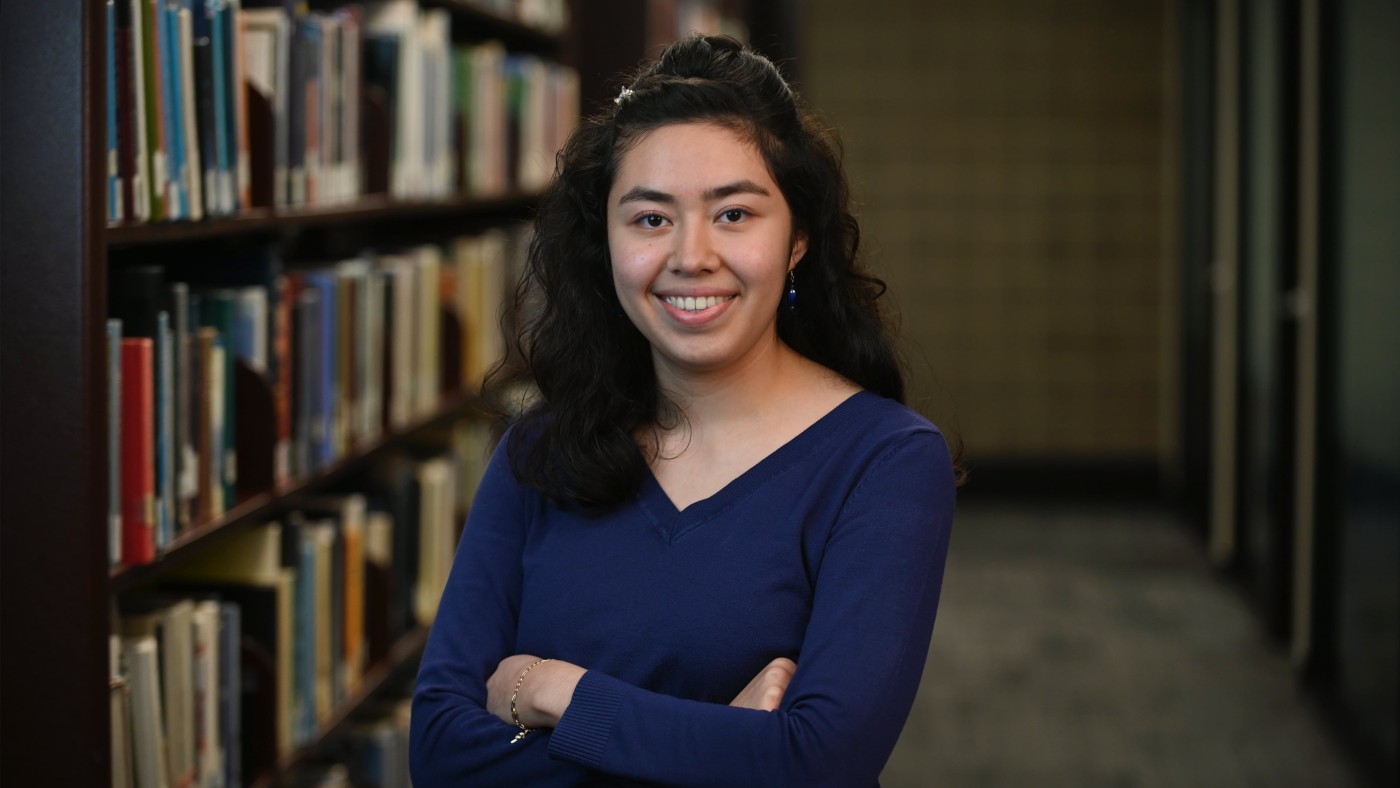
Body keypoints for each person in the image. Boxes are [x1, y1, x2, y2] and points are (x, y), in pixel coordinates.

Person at [410, 34, 956, 787]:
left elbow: (817, 765)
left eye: (734, 214)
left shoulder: (884, 461)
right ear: (606, 240)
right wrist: (718, 748)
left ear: (796, 238)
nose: (691, 255)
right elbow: (439, 753)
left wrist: (554, 693)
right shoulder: (541, 446)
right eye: (650, 218)